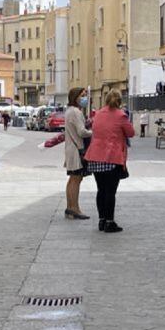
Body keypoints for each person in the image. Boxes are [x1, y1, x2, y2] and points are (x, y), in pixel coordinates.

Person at [84, 89, 134, 233]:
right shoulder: (121, 115)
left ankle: (101, 220)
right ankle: (109, 222)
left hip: (95, 156)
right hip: (112, 157)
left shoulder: (98, 114)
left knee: (101, 190)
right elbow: (131, 133)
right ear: (119, 101)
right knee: (110, 191)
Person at [63, 87, 93, 221]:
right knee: (76, 179)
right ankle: (75, 208)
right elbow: (81, 132)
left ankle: (70, 208)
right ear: (76, 97)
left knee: (72, 179)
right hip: (77, 149)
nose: (85, 98)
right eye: (83, 95)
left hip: (71, 148)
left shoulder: (69, 111)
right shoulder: (76, 112)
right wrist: (93, 132)